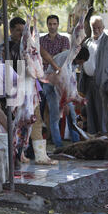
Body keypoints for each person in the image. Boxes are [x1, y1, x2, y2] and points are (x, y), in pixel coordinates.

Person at [79, 16, 108, 135]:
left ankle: (105, 137)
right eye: (94, 27)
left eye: (99, 27)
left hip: (104, 82)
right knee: (90, 112)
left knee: (103, 113)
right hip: (89, 82)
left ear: (103, 27)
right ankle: (92, 137)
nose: (96, 30)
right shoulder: (87, 42)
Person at [39, 15, 70, 148]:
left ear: (58, 25)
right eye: (50, 24)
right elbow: (39, 59)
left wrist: (48, 59)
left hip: (57, 80)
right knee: (40, 110)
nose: (52, 26)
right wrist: (52, 60)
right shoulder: (40, 40)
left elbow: (62, 58)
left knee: (57, 111)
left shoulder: (64, 40)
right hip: (42, 78)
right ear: (47, 25)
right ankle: (40, 138)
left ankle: (56, 141)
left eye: (54, 24)